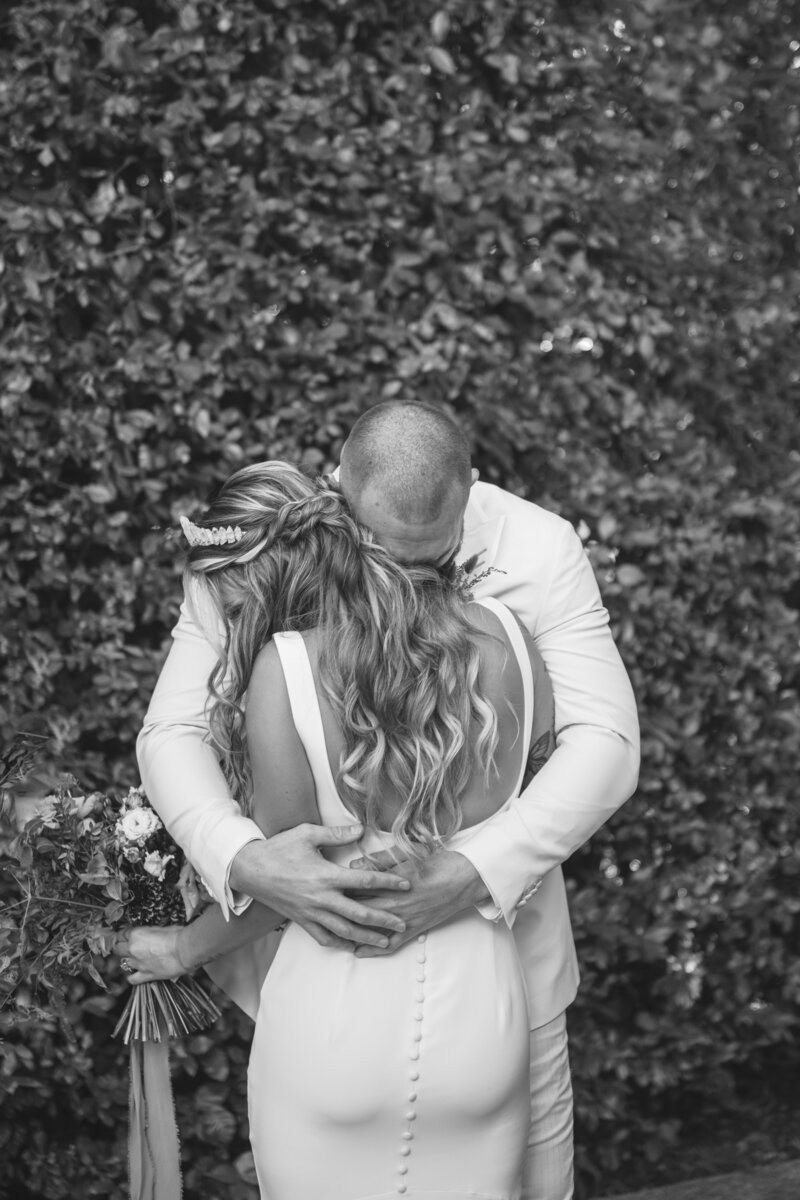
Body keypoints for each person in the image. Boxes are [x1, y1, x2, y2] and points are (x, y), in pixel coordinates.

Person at [134, 402, 640, 1198]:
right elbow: (171, 731)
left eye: (426, 554)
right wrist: (246, 859)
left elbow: (606, 745)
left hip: (507, 970)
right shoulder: (283, 551)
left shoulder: (540, 549)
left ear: (471, 491)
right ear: (339, 490)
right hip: (429, 989)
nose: (403, 578)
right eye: (379, 549)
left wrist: (471, 870)